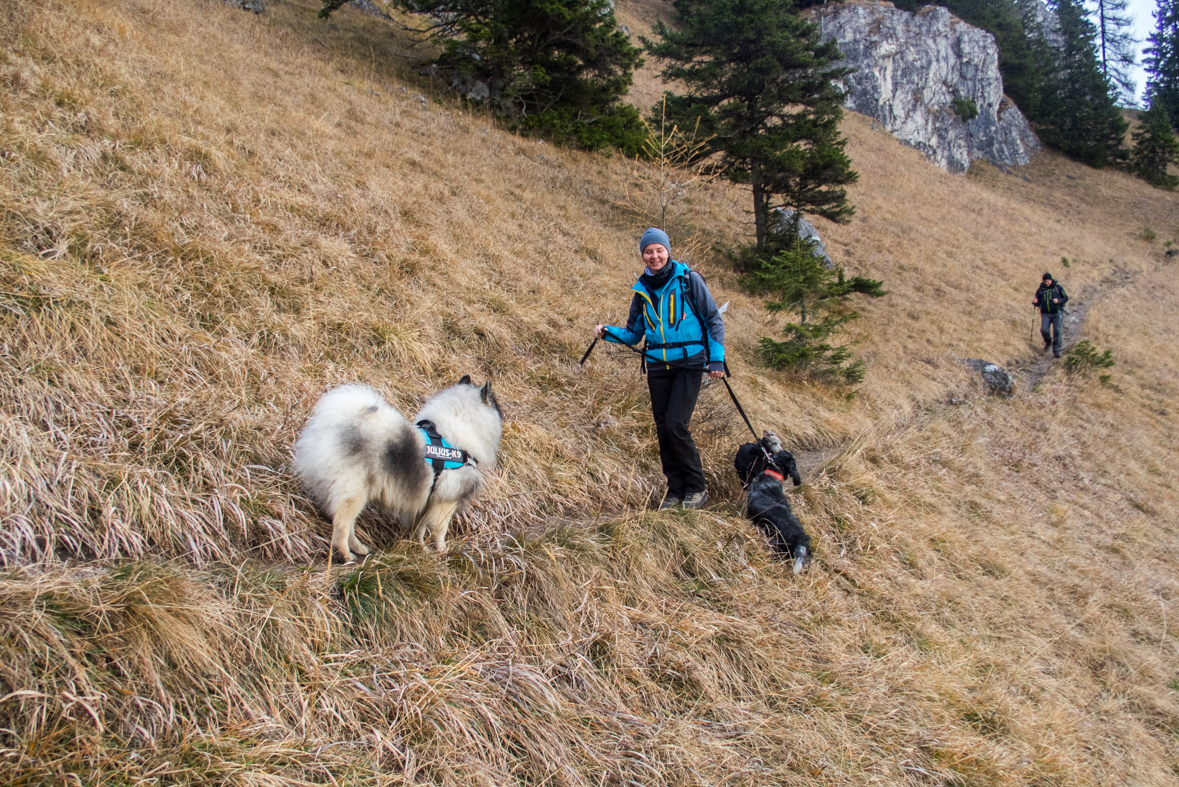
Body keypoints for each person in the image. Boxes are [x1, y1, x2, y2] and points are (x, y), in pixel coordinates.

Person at [594, 228, 726, 510]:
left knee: (677, 424)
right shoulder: (641, 291)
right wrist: (607, 332)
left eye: (659, 250)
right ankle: (675, 490)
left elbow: (714, 320)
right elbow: (633, 334)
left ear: (667, 251)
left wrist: (717, 359)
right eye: (648, 251)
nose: (654, 256)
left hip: (689, 363)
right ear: (643, 254)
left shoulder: (688, 281)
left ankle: (696, 488)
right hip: (657, 366)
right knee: (664, 428)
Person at [1032, 272, 1069, 358]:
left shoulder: (1057, 288)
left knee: (1057, 331)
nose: (1047, 283)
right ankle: (1048, 342)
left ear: (1051, 280)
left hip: (1057, 312)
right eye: (1045, 281)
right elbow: (1037, 301)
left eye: (1048, 281)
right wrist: (1035, 302)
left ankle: (1057, 350)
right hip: (1045, 313)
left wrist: (1059, 301)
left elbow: (1065, 298)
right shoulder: (1040, 290)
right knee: (1044, 330)